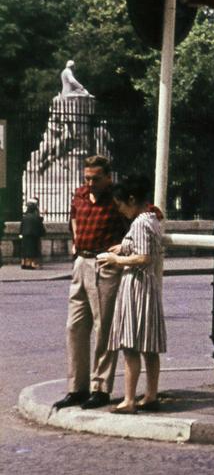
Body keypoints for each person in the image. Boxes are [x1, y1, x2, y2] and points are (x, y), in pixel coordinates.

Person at [54, 155, 128, 409]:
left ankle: (101, 387)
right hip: (81, 262)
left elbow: (142, 216)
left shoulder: (117, 198)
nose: (91, 183)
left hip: (104, 264)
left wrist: (121, 249)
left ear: (109, 177)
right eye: (87, 178)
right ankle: (77, 387)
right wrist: (75, 245)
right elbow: (73, 218)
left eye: (96, 179)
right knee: (74, 326)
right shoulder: (80, 195)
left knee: (103, 328)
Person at [103, 175, 167, 411]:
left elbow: (143, 257)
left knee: (130, 346)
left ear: (131, 200)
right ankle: (151, 394)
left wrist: (116, 259)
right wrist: (123, 246)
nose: (120, 210)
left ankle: (129, 399)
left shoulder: (139, 223)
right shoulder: (151, 219)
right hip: (148, 286)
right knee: (149, 346)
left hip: (137, 286)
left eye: (120, 204)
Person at [18, 200, 45, 269]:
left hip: (25, 235)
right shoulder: (36, 218)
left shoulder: (24, 217)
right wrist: (42, 233)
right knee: (33, 250)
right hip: (34, 236)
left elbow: (21, 227)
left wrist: (20, 233)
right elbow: (40, 227)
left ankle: (24, 263)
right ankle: (32, 264)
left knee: (25, 250)